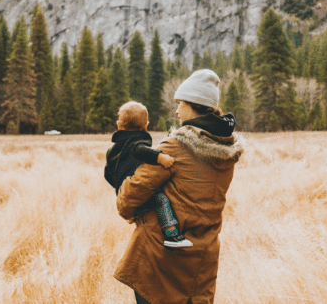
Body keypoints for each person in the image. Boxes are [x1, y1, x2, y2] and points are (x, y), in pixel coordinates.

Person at [114, 69, 243, 304]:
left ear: (193, 105)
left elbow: (129, 198)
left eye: (180, 103)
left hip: (160, 262)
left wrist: (127, 197)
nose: (176, 110)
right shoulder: (226, 150)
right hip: (201, 262)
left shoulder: (175, 147)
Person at [104, 101, 193, 248]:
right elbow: (139, 150)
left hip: (123, 191)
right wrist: (160, 157)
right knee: (161, 199)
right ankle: (171, 233)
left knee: (145, 209)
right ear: (146, 125)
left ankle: (136, 213)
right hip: (137, 189)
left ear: (119, 125)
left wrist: (119, 184)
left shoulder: (112, 151)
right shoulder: (136, 142)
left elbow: (107, 173)